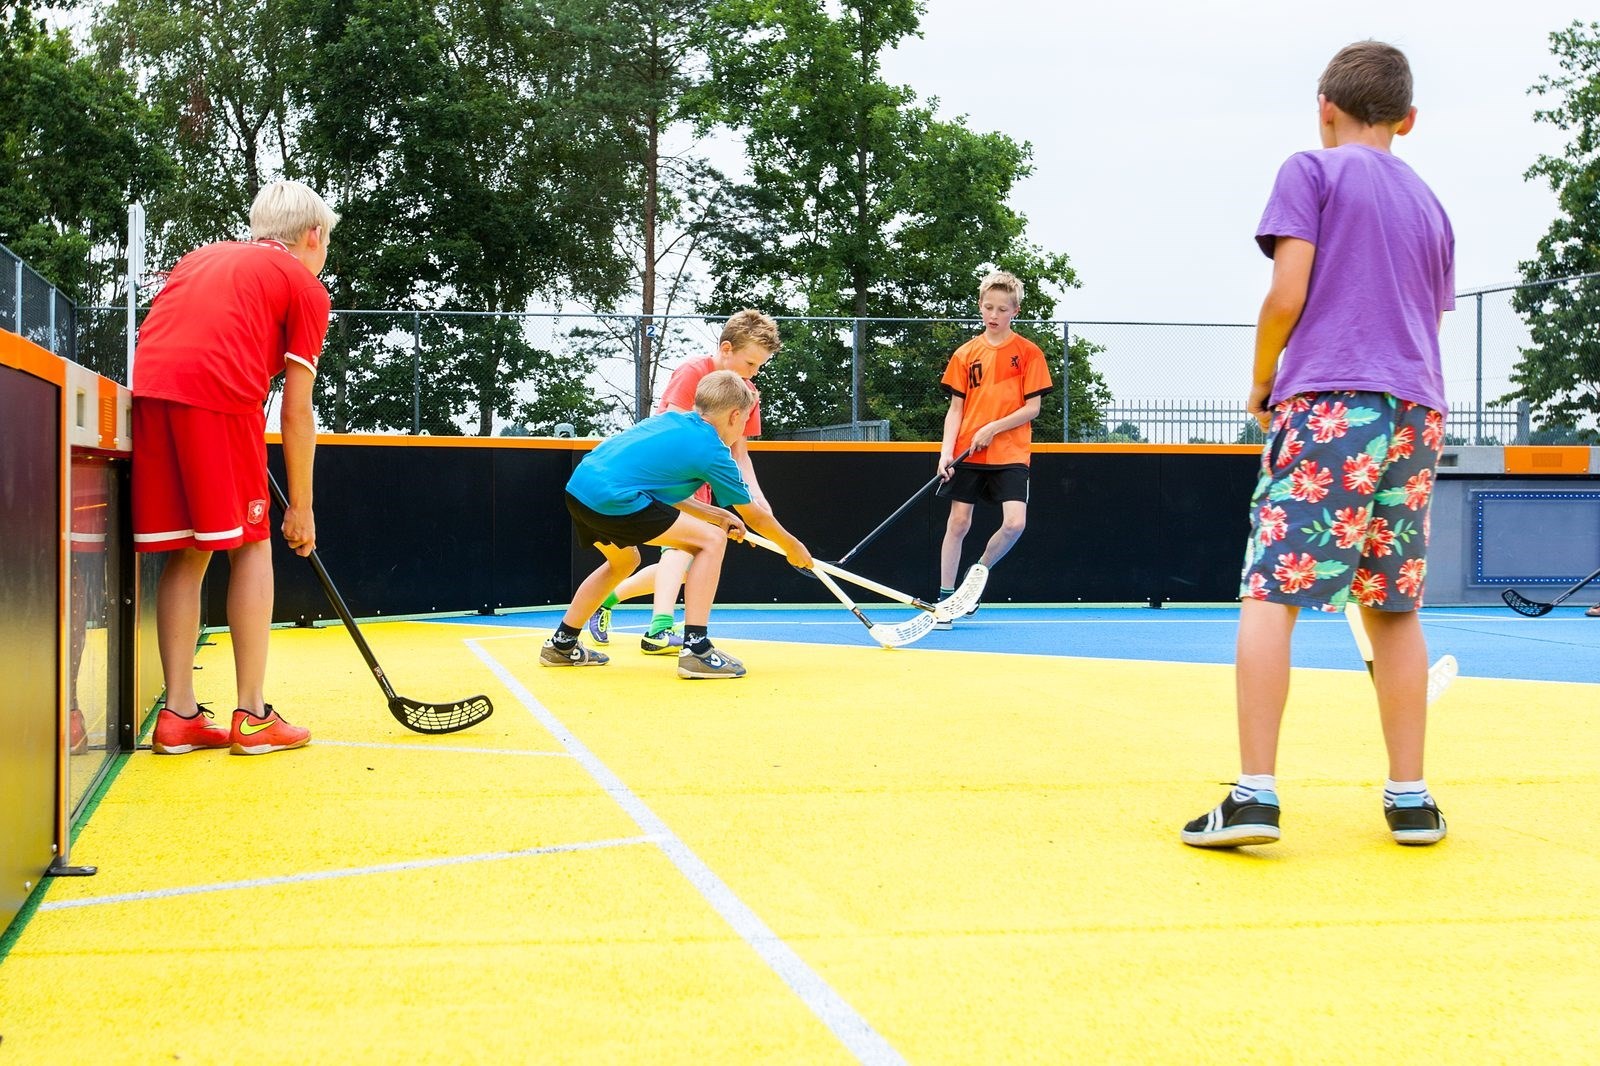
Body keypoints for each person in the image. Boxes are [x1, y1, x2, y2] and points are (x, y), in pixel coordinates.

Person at [1181, 41, 1455, 849]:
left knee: (1274, 591)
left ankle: (1255, 794)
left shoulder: (1312, 169)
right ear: (1407, 119)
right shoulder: (1432, 206)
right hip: (1417, 411)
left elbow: (1286, 295)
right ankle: (1411, 797)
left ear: (1325, 111)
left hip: (1332, 400)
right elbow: (1423, 320)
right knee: (1393, 605)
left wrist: (1263, 382)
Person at [132, 180, 336, 756]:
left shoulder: (199, 257)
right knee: (252, 547)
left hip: (149, 396)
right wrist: (302, 507)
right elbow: (297, 413)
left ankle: (179, 716)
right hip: (219, 399)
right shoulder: (303, 285)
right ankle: (251, 716)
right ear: (313, 237)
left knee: (190, 549)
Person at [547, 370, 812, 679]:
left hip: (580, 490)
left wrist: (715, 514)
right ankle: (697, 650)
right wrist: (792, 546)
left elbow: (655, 488)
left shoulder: (671, 422)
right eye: (743, 423)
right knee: (711, 541)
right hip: (614, 498)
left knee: (625, 561)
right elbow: (754, 515)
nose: (742, 430)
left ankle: (561, 644)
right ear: (734, 415)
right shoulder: (712, 448)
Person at [586, 310, 783, 653]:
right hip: (671, 479)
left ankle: (607, 600)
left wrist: (758, 499)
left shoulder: (748, 392)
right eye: (750, 363)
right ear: (726, 349)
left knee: (683, 567)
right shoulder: (693, 372)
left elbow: (741, 453)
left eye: (758, 367)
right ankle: (660, 630)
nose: (754, 374)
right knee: (684, 550)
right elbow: (677, 434)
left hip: (704, 480)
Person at [933, 270, 1052, 627]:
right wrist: (945, 452)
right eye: (988, 307)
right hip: (968, 452)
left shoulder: (1029, 354)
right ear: (981, 307)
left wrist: (993, 428)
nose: (994, 315)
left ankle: (976, 576)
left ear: (1015, 310)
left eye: (1002, 309)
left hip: (1011, 453)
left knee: (1015, 524)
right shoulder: (966, 354)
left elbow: (1032, 409)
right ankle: (944, 600)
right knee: (958, 522)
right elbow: (955, 409)